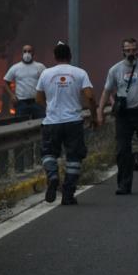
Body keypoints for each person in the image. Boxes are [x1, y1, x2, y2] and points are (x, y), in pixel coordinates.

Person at [97, 38, 138, 195]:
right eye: (128, 50)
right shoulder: (115, 70)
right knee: (122, 151)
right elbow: (106, 91)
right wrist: (100, 112)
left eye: (133, 50)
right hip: (124, 116)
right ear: (123, 51)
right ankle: (124, 185)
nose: (131, 53)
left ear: (137, 50)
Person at [35, 42, 98, 205]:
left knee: (48, 153)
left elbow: (38, 98)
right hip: (73, 123)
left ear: (54, 57)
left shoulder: (46, 74)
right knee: (74, 157)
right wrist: (94, 117)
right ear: (70, 56)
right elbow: (90, 97)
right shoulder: (80, 73)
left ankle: (53, 176)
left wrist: (50, 108)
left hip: (51, 122)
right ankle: (68, 195)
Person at [4, 44, 46, 119]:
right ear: (22, 53)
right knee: (20, 125)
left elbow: (47, 81)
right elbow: (6, 82)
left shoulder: (40, 66)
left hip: (37, 102)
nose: (27, 53)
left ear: (33, 53)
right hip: (21, 103)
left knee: (41, 123)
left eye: (29, 51)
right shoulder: (15, 67)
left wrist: (44, 96)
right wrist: (12, 95)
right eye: (25, 51)